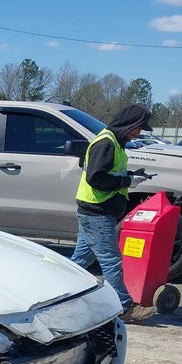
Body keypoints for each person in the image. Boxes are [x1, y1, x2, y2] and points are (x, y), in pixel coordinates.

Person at [71, 104, 156, 322]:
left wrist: (131, 175)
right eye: (137, 128)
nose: (138, 133)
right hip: (97, 212)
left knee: (79, 261)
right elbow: (96, 178)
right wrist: (127, 181)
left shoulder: (114, 142)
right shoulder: (107, 143)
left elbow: (107, 172)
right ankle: (125, 307)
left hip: (94, 210)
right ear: (129, 125)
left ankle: (55, 293)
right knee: (110, 260)